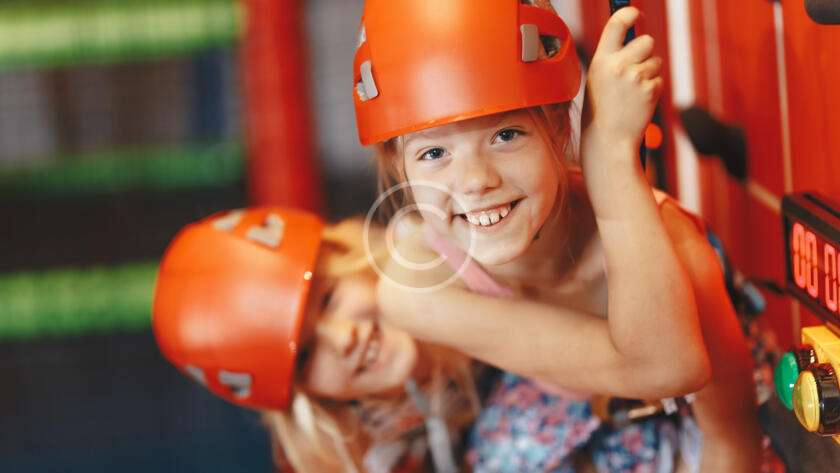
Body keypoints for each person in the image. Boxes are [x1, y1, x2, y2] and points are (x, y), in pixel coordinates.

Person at [354, 1, 763, 471]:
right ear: (397, 167)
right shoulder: (416, 285)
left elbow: (699, 403)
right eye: (433, 154)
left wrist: (610, 156)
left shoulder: (671, 242)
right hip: (590, 415)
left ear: (558, 127)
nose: (474, 181)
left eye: (506, 135)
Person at [152, 208, 478, 472]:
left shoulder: (467, 252)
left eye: (328, 299)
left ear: (350, 257)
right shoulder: (356, 462)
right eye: (306, 354)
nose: (343, 338)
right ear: (302, 393)